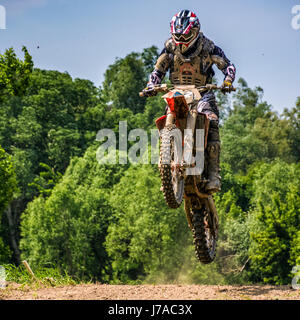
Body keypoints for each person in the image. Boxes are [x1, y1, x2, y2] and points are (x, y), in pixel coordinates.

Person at [143, 9, 236, 193]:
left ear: (195, 31)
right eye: (177, 36)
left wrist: (227, 81)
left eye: (185, 36)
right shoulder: (170, 47)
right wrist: (151, 85)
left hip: (203, 92)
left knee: (212, 120)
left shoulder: (208, 47)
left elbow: (228, 66)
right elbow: (158, 70)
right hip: (177, 92)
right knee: (163, 126)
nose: (182, 41)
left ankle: (213, 175)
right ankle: (167, 174)